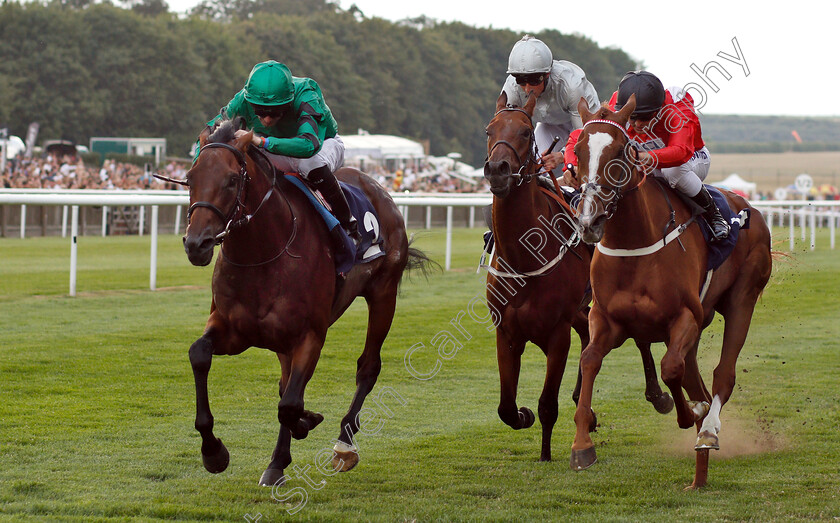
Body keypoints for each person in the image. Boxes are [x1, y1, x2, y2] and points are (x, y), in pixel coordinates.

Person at [210, 60, 360, 245]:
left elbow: (308, 145)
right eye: (260, 111)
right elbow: (210, 132)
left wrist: (261, 140)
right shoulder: (242, 98)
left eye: (275, 112)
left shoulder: (307, 94)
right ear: (251, 101)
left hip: (322, 146)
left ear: (288, 103)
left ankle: (348, 224)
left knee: (308, 163)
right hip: (275, 148)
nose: (266, 119)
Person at [499, 35, 600, 178]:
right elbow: (507, 132)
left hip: (585, 126)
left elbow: (584, 138)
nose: (527, 89)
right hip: (550, 124)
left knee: (579, 169)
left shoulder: (572, 87)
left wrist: (562, 155)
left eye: (533, 80)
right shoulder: (511, 87)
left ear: (547, 74)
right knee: (531, 168)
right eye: (521, 80)